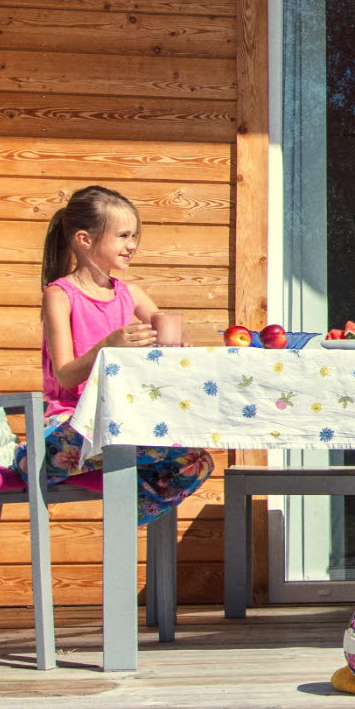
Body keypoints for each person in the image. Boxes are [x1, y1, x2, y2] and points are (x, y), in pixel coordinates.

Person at [38, 185, 214, 523]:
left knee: (198, 461)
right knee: (124, 443)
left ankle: (117, 496)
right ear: (85, 240)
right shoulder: (60, 295)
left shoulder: (129, 293)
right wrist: (108, 346)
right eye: (122, 236)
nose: (132, 245)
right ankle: (56, 466)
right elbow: (63, 374)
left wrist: (177, 346)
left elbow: (170, 332)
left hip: (119, 422)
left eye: (134, 236)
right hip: (71, 423)